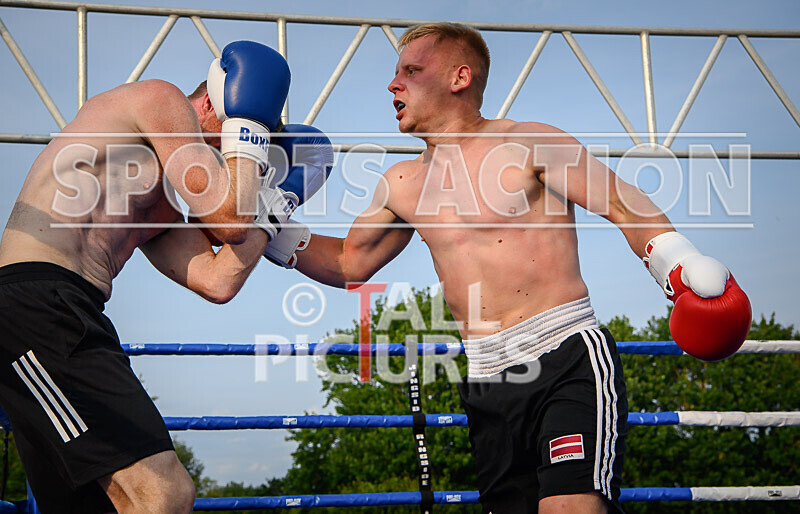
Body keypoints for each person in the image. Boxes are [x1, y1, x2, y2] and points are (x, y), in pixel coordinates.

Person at [266, 23, 751, 514]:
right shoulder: (402, 183)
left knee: (570, 507)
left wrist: (677, 262)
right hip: (486, 377)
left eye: (412, 71)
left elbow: (623, 204)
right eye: (395, 74)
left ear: (460, 77)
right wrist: (265, 220)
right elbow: (349, 261)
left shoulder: (530, 143)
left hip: (566, 356)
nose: (393, 85)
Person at [0, 40, 297, 513]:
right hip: (37, 305)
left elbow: (218, 280)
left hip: (70, 313)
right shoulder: (159, 99)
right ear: (210, 105)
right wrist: (250, 131)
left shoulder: (157, 206)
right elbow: (231, 219)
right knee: (163, 493)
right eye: (234, 143)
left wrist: (277, 208)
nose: (235, 167)